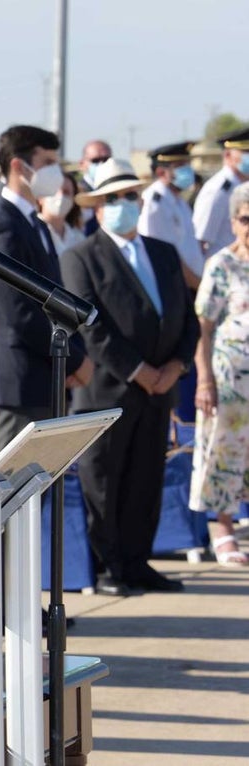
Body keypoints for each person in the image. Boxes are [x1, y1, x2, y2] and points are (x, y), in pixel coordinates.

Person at [61, 158, 199, 596]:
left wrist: (176, 366)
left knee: (146, 479)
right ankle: (108, 567)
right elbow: (91, 326)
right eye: (113, 198)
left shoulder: (163, 252)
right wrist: (140, 371)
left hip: (160, 389)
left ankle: (138, 562)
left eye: (129, 196)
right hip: (110, 390)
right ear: (98, 207)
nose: (123, 204)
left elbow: (187, 317)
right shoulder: (81, 257)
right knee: (104, 480)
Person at [0, 125, 92, 450]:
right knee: (15, 481)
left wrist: (75, 354)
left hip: (45, 377)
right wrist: (74, 361)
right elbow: (20, 313)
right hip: (21, 382)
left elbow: (56, 299)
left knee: (43, 479)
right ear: (19, 166)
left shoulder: (32, 223)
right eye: (47, 163)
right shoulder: (3, 226)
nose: (56, 172)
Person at [190, 181, 249, 569]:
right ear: (233, 222)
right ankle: (221, 528)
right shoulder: (222, 264)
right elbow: (203, 327)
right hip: (230, 381)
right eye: (246, 218)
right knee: (223, 452)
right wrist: (205, 379)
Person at [139, 141, 203, 288]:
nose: (188, 170)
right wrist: (199, 286)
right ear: (161, 173)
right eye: (180, 166)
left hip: (190, 286)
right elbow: (164, 256)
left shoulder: (178, 201)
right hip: (177, 286)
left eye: (188, 164)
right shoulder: (155, 205)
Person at [193, 127, 249, 257]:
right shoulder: (218, 190)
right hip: (226, 265)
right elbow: (200, 240)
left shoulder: (242, 185)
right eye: (246, 152)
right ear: (228, 155)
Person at [38, 171, 87, 256]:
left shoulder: (79, 238)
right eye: (54, 191)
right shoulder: (32, 232)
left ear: (73, 201)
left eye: (66, 192)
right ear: (40, 197)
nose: (60, 196)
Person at [78, 139, 113, 234]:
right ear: (82, 164)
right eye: (95, 160)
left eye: (106, 160)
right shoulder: (75, 192)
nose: (101, 164)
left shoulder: (116, 192)